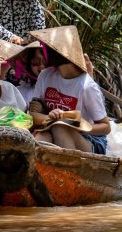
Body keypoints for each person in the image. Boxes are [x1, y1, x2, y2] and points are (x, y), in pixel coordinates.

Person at [27, 26, 111, 154]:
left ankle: (69, 170)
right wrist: (51, 117)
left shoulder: (87, 86)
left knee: (60, 126)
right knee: (42, 137)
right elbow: (33, 114)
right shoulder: (45, 75)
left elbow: (105, 127)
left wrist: (78, 124)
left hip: (90, 140)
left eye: (48, 48)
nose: (45, 52)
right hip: (53, 129)